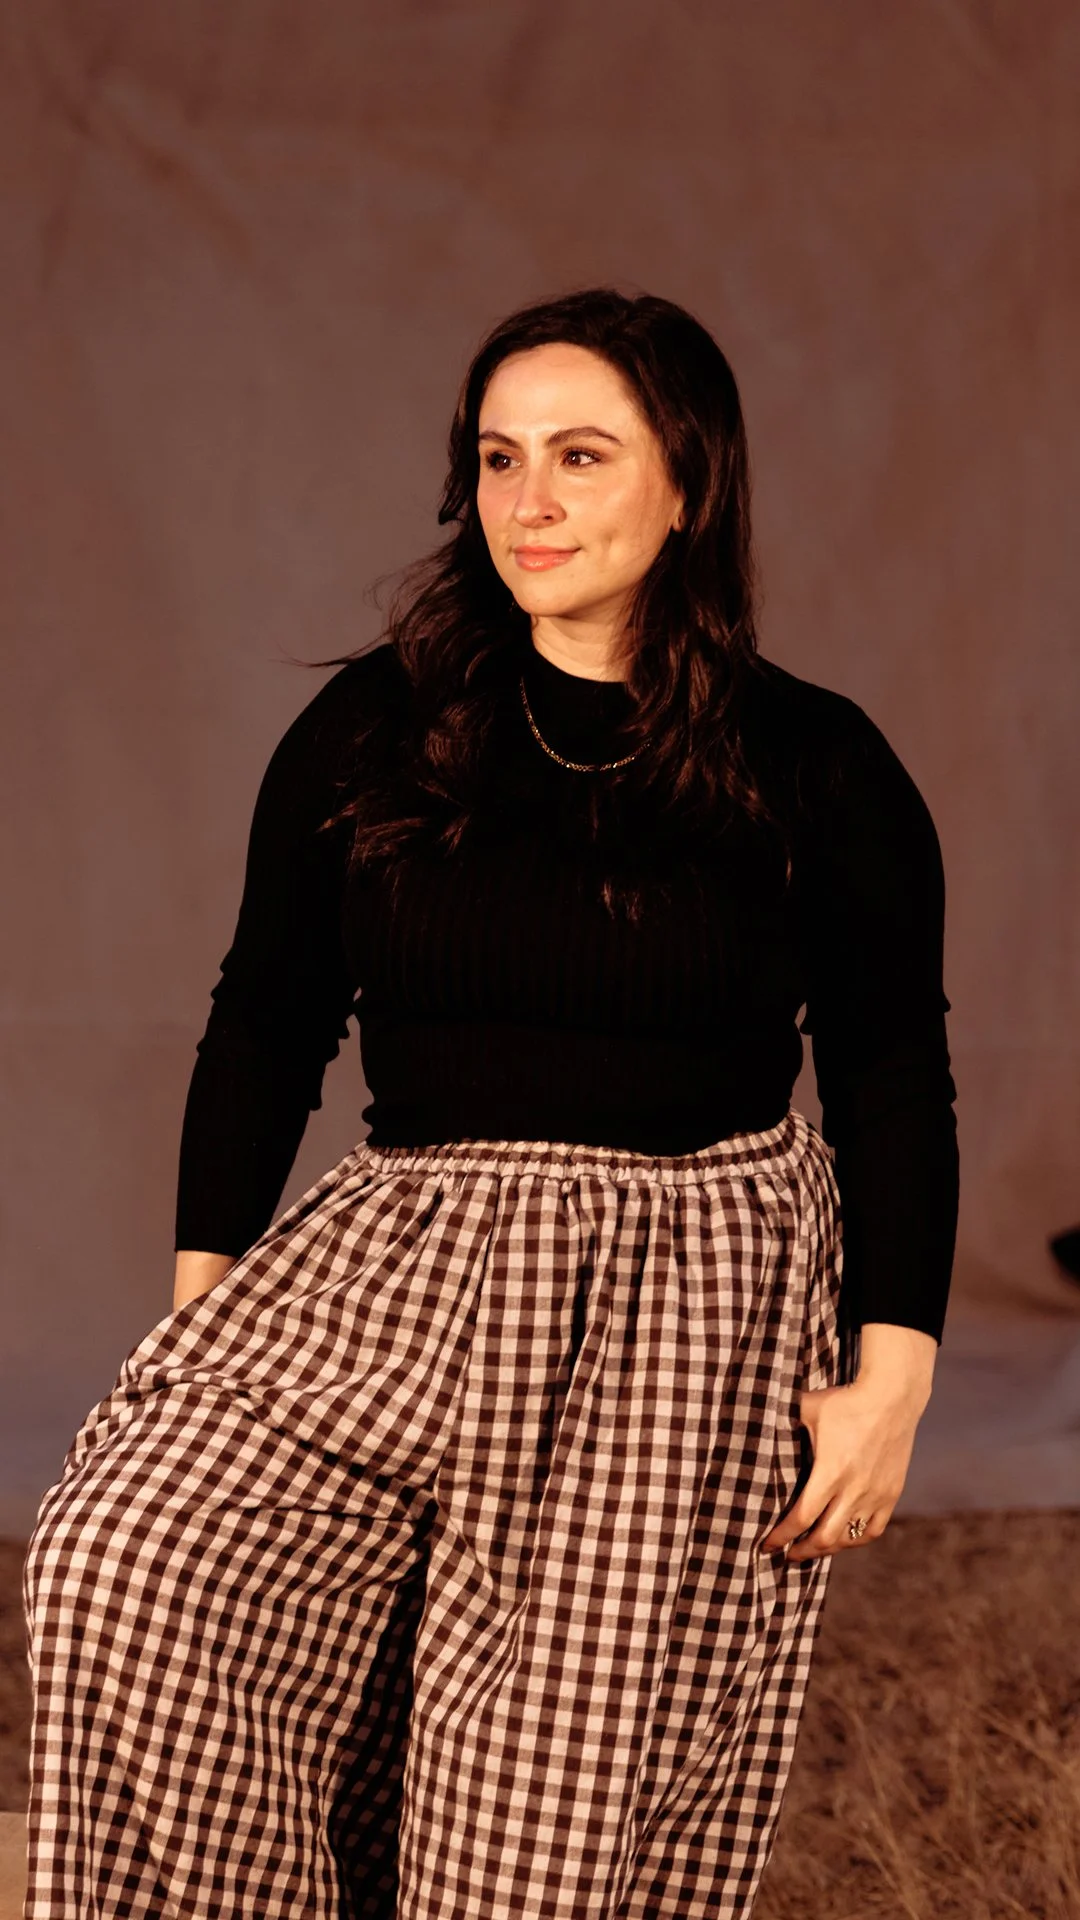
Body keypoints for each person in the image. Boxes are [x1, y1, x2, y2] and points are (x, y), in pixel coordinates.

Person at [22, 287, 959, 1919]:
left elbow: (892, 1071)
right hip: (406, 1254)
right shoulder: (372, 727)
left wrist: (893, 1378)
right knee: (128, 1562)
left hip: (680, 1293)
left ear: (691, 482)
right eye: (499, 457)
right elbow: (265, 1025)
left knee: (528, 1826)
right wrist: (201, 1322)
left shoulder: (817, 761)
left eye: (581, 457)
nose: (528, 500)